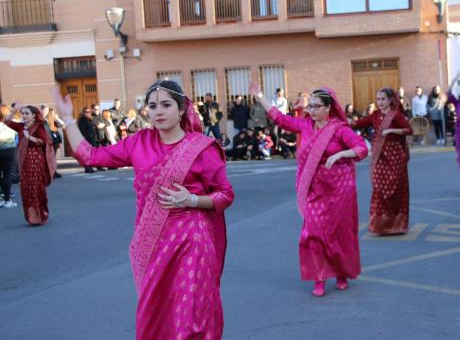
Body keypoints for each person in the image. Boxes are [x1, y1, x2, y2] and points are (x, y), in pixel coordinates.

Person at [53, 80, 234, 338]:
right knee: (154, 313)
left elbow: (225, 195)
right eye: (152, 105)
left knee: (190, 316)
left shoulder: (201, 148)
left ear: (181, 109)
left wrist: (192, 200)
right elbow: (89, 156)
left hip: (191, 243)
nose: (158, 111)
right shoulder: (138, 142)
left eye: (166, 104)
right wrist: (68, 119)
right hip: (153, 243)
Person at [250, 82, 368, 297]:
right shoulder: (305, 126)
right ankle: (319, 276)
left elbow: (361, 148)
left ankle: (341, 274)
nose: (310, 110)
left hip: (339, 190)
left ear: (328, 108)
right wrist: (259, 96)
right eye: (310, 106)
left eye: (315, 106)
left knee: (338, 234)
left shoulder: (339, 129)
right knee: (312, 233)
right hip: (315, 190)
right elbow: (280, 119)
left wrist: (340, 154)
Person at [352, 87, 412, 235]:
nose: (380, 102)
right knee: (378, 189)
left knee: (396, 191)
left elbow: (408, 130)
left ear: (390, 100)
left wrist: (391, 131)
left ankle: (395, 225)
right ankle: (380, 225)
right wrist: (341, 121)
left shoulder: (396, 116)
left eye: (383, 99)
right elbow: (358, 123)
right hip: (379, 157)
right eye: (378, 99)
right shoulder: (375, 115)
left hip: (395, 157)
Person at [4, 103, 56, 225]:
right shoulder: (21, 127)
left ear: (33, 115)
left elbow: (44, 142)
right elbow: (6, 122)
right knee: (26, 188)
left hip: (36, 159)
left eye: (27, 113)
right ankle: (31, 216)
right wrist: (13, 111)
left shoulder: (39, 127)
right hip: (23, 161)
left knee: (36, 187)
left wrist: (29, 138)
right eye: (22, 113)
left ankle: (40, 215)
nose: (24, 115)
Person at [0, 105, 18, 208]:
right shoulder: (9, 125)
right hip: (9, 151)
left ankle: (1, 199)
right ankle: (7, 200)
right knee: (7, 175)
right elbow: (16, 138)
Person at [77, 107, 98, 173]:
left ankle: (90, 167)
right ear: (83, 113)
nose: (88, 113)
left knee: (91, 154)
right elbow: (82, 131)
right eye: (86, 112)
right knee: (87, 154)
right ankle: (87, 168)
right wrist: (88, 136)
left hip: (92, 139)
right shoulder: (82, 120)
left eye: (89, 112)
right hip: (87, 140)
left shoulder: (90, 119)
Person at [46, 108, 64, 178]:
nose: (54, 114)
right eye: (53, 113)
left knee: (53, 158)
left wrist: (57, 119)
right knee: (51, 158)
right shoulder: (47, 122)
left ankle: (54, 171)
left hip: (55, 141)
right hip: (51, 141)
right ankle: (51, 172)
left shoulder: (54, 122)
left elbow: (62, 125)